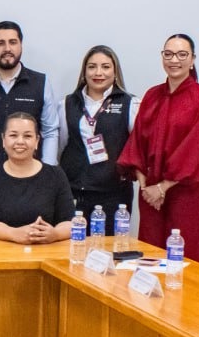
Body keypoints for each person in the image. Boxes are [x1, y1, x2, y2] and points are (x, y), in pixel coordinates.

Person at [118, 34, 199, 264]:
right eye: (168, 54)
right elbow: (137, 141)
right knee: (150, 258)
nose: (175, 60)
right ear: (162, 57)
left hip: (186, 193)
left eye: (182, 54)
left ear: (193, 59)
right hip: (150, 192)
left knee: (184, 259)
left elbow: (197, 148)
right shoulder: (152, 95)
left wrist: (163, 188)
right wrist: (145, 185)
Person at [57, 45, 140, 230]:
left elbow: (138, 148)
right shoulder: (66, 104)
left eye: (105, 66)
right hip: (74, 192)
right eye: (92, 66)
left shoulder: (131, 104)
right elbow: (61, 146)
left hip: (114, 194)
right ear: (84, 71)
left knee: (110, 251)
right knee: (73, 249)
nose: (98, 72)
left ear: (115, 71)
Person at [0, 113, 75, 245]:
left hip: (46, 250)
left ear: (37, 141)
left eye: (27, 136)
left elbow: (69, 221)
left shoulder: (56, 175)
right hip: (2, 252)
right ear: (3, 139)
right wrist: (14, 234)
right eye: (13, 135)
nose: (20, 141)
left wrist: (55, 234)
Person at [0, 21, 59, 168]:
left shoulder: (41, 83)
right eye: (0, 43)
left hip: (30, 176)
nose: (7, 48)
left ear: (21, 45)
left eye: (13, 42)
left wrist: (47, 171)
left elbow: (50, 132)